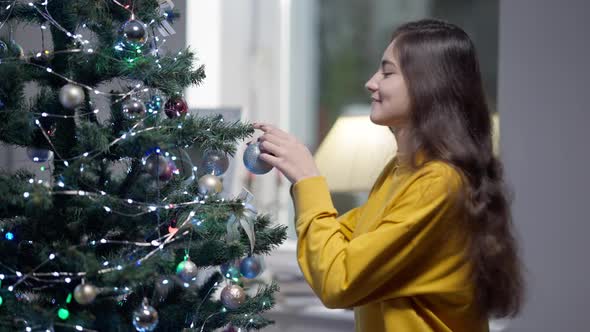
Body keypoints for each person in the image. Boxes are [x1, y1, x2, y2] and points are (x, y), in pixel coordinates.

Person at [253, 18, 524, 332]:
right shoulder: (400, 172)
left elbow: (337, 280)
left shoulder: (440, 184)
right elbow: (337, 247)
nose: (371, 82)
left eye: (387, 71)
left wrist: (307, 178)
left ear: (428, 84)